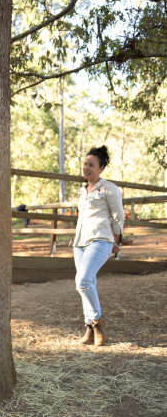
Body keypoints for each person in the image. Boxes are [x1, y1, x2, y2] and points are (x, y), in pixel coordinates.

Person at [73, 145, 124, 347]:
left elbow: (118, 216)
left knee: (83, 280)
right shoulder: (82, 190)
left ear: (101, 168)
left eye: (91, 165)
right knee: (86, 283)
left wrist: (115, 240)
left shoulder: (108, 188)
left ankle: (98, 323)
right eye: (85, 164)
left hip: (101, 239)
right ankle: (89, 328)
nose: (86, 168)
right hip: (80, 243)